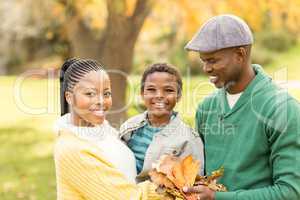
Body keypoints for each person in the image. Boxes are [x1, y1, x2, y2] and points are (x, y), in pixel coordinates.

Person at [183, 14, 300, 200]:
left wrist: (217, 198)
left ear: (240, 54)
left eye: (213, 60)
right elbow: (200, 176)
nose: (206, 68)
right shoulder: (206, 109)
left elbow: (290, 192)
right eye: (203, 60)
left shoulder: (282, 109)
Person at [54, 58, 163, 200]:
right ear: (69, 97)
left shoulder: (104, 130)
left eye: (106, 93)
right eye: (90, 94)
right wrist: (173, 188)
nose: (101, 101)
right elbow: (127, 197)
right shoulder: (72, 149)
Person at [119, 63, 204, 182]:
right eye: (151, 89)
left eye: (168, 90)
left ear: (178, 96)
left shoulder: (188, 139)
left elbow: (192, 182)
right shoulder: (129, 128)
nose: (159, 95)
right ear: (142, 94)